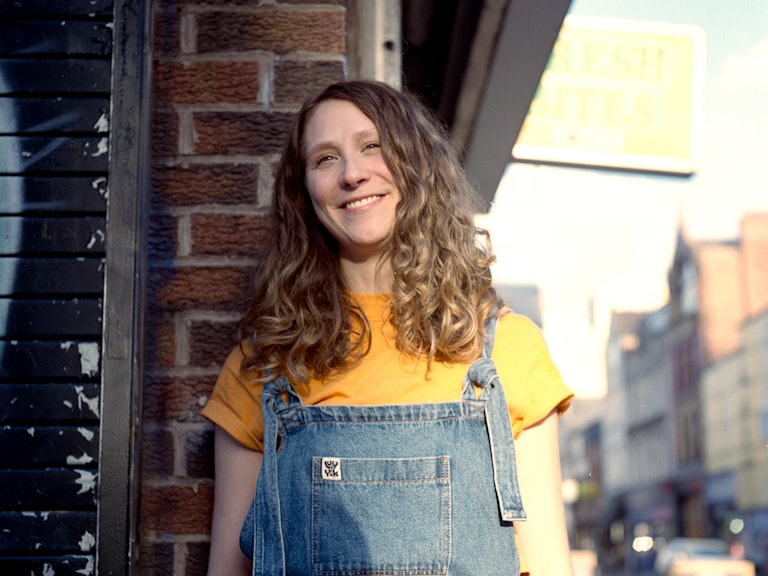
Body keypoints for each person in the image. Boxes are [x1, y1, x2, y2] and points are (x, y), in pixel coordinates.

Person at [202, 80, 574, 576]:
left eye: (371, 146)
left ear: (415, 164)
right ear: (304, 194)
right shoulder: (264, 368)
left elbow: (551, 566)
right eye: (325, 159)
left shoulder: (508, 350)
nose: (353, 174)